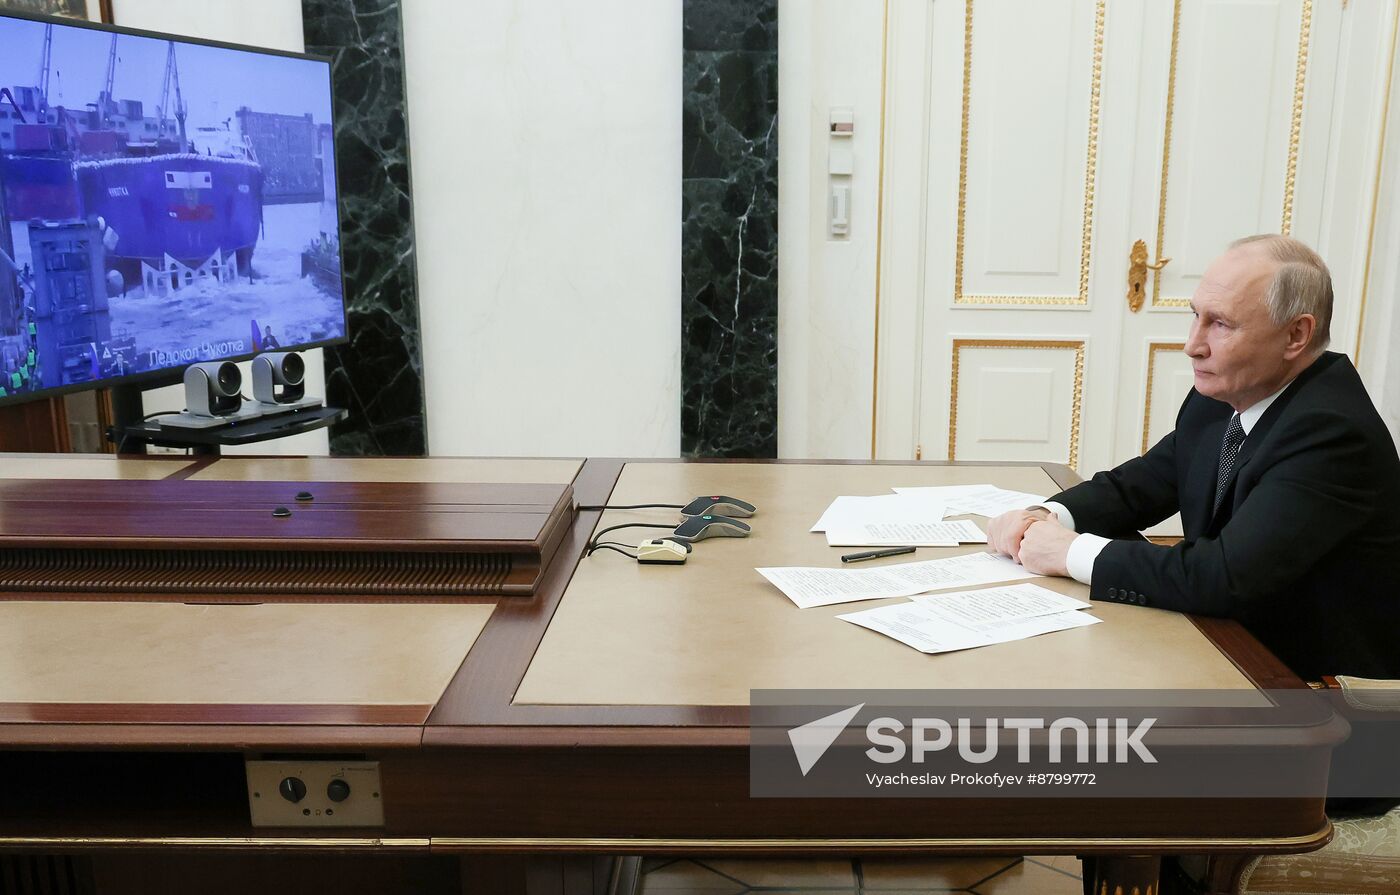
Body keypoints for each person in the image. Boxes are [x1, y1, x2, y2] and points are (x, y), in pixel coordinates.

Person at [987, 234, 1400, 682]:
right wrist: (1045, 515)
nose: (1192, 345)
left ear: (1296, 335)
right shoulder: (1231, 391)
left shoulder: (1332, 433)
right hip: (1230, 646)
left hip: (1318, 695)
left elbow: (1224, 578)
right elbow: (1144, 483)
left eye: (1221, 324)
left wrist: (1069, 553)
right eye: (1195, 316)